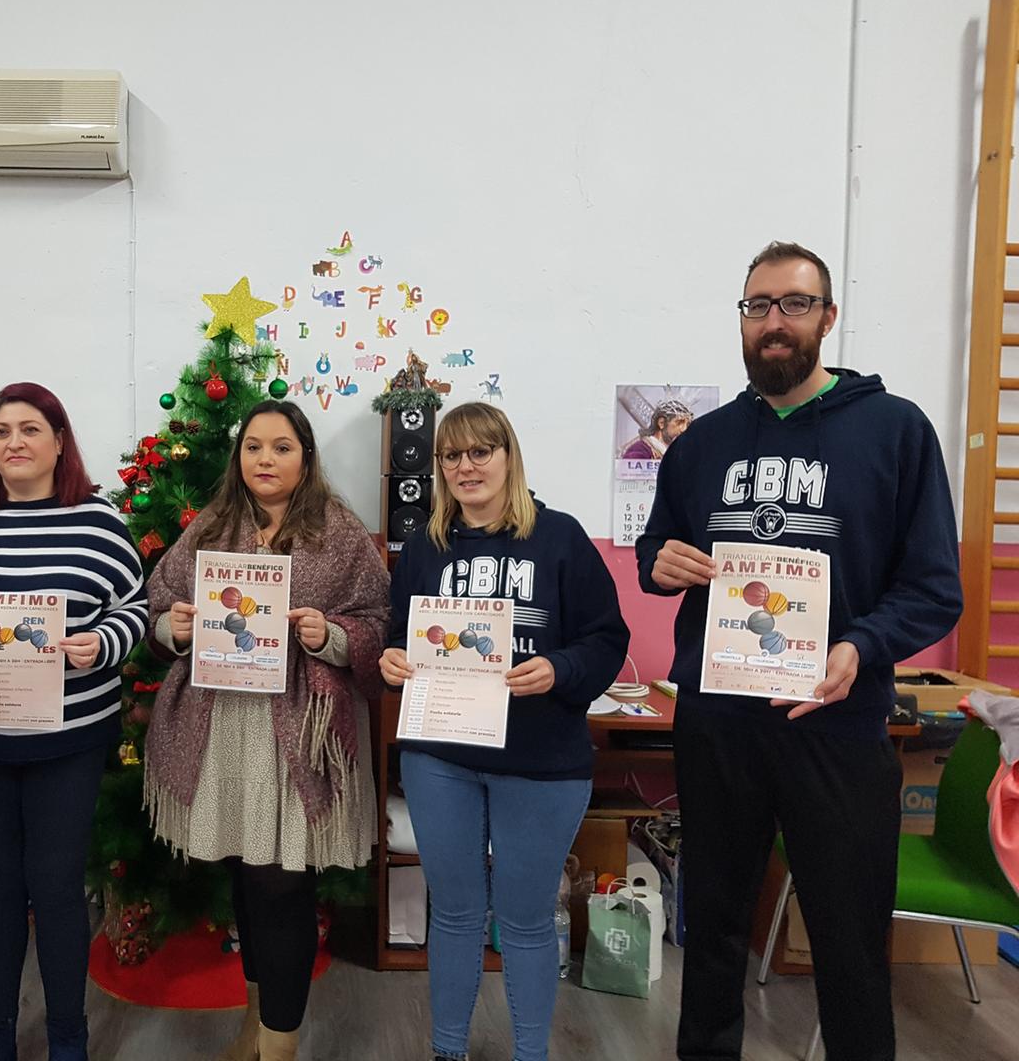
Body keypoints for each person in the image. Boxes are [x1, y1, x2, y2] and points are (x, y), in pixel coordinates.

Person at [636, 241, 963, 1061]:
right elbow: (656, 550)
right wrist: (660, 564)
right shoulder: (701, 445)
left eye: (792, 304)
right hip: (720, 726)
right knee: (710, 927)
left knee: (850, 944)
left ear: (828, 317)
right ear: (742, 320)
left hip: (838, 725)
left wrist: (860, 644)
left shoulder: (896, 432)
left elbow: (933, 589)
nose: (773, 322)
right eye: (757, 306)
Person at [0, 383, 147, 1061]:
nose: (14, 441)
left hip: (67, 740)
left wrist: (103, 643)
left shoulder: (98, 521)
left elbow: (135, 607)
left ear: (59, 441)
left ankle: (68, 1030)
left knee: (59, 888)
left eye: (30, 429)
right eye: (1, 430)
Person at [379, 400, 629, 1061]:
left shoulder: (561, 538)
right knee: (456, 914)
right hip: (441, 755)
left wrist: (560, 667)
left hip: (540, 762)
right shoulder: (425, 548)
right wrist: (391, 659)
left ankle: (529, 1053)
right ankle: (447, 1050)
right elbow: (396, 637)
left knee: (523, 920)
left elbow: (607, 640)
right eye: (451, 456)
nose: (466, 467)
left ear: (508, 456)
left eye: (480, 451)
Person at [143, 400, 389, 1061]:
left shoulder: (338, 531)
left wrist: (331, 636)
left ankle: (280, 1045)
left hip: (297, 732)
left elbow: (378, 622)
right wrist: (177, 628)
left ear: (305, 456)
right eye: (254, 446)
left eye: (281, 447)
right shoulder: (213, 527)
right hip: (222, 726)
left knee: (283, 884)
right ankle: (256, 1027)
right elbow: (159, 605)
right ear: (239, 456)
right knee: (248, 881)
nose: (266, 460)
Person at [621, 398, 694, 460]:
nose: (684, 429)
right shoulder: (639, 451)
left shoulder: (678, 454)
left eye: (687, 425)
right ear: (661, 423)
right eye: (679, 423)